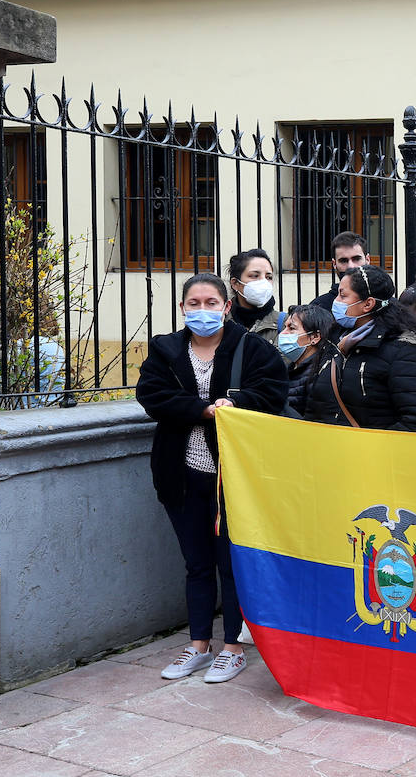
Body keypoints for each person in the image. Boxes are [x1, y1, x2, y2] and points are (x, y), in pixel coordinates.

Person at [136, 273, 288, 684]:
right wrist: (202, 410)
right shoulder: (166, 350)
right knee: (196, 563)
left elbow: (273, 392)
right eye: (193, 303)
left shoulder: (252, 348)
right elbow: (152, 395)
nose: (202, 311)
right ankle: (198, 644)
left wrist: (235, 402)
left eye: (210, 302)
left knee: (231, 564)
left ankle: (233, 647)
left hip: (235, 479)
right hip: (181, 475)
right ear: (182, 308)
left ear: (226, 306)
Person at [304, 265, 416, 431]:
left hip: (374, 454)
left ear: (368, 304)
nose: (335, 302)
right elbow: (314, 405)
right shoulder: (333, 342)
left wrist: (372, 449)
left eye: (343, 295)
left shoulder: (404, 350)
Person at [278, 304, 338, 418]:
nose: (283, 333)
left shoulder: (320, 375)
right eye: (284, 327)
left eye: (291, 328)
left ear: (314, 337)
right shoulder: (291, 369)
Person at [227, 249, 279, 344]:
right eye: (255, 276)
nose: (263, 282)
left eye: (269, 277)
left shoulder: (284, 324)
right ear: (235, 283)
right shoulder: (221, 322)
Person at [310, 232, 370, 313]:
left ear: (367, 260)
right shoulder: (319, 307)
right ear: (334, 264)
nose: (351, 266)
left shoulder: (385, 304)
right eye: (343, 261)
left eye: (356, 259)